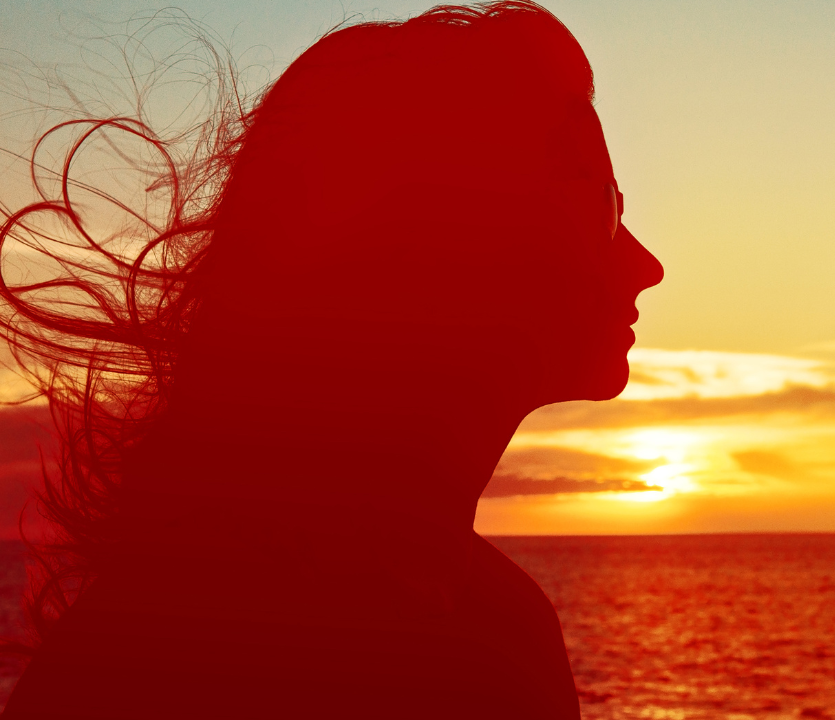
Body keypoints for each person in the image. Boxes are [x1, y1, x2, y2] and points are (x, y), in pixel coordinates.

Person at [0, 1, 662, 717]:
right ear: (447, 238)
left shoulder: (504, 627)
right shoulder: (158, 656)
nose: (646, 266)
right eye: (605, 207)